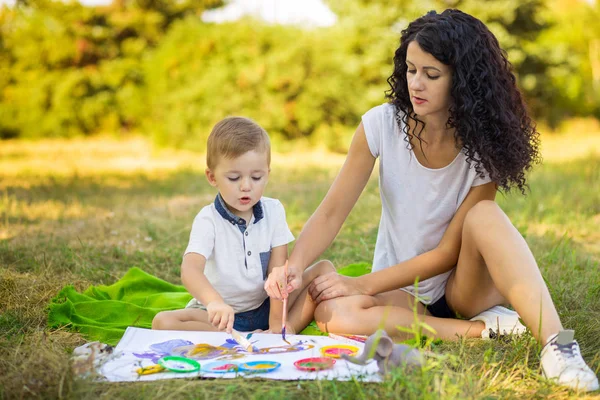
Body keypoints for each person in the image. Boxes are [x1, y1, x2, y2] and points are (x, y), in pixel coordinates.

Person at [264, 9, 599, 392]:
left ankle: (558, 346)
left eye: (431, 74)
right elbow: (331, 213)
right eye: (410, 70)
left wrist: (363, 284)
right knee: (332, 314)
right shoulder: (380, 125)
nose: (416, 84)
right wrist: (297, 264)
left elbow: (445, 254)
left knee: (485, 215)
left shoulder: (482, 148)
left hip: (462, 286)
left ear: (463, 81)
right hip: (405, 291)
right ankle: (483, 332)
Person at [153, 116, 333, 335]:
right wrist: (214, 303)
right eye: (234, 177)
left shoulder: (274, 210)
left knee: (324, 270)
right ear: (212, 177)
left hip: (266, 307)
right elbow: (190, 270)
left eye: (256, 177)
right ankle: (242, 336)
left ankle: (284, 328)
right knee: (163, 322)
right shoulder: (207, 219)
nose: (246, 186)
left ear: (268, 174)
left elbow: (278, 273)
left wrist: (277, 323)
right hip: (222, 317)